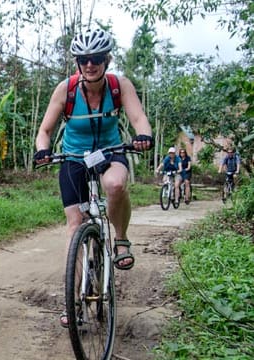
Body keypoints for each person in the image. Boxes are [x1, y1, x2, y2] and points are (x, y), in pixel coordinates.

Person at [33, 27, 153, 328]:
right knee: (75, 228)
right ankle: (71, 302)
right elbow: (44, 131)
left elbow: (139, 118)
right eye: (84, 59)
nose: (90, 64)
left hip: (111, 152)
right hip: (74, 158)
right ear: (77, 62)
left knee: (114, 185)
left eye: (96, 58)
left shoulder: (118, 85)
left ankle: (121, 240)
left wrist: (143, 136)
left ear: (107, 59)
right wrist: (42, 150)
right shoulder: (67, 90)